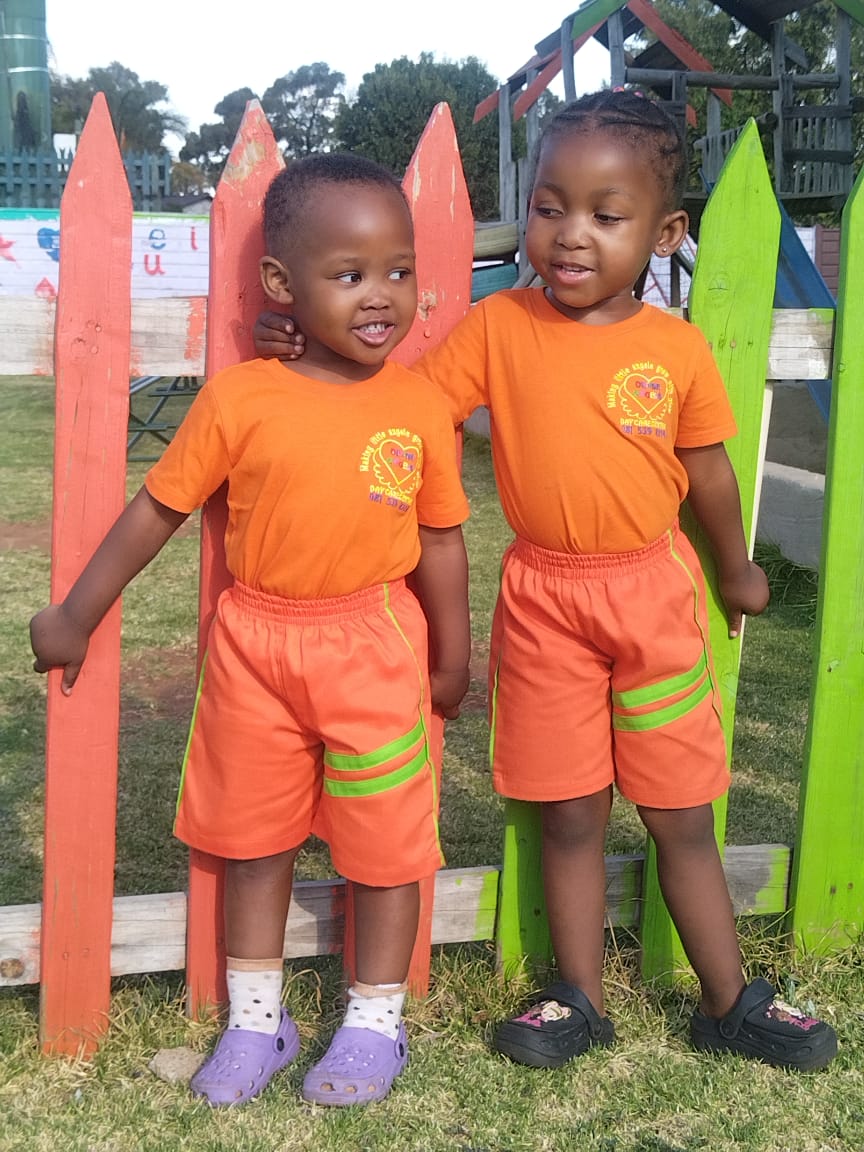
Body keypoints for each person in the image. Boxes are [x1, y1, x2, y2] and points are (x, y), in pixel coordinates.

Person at [251, 90, 838, 1073]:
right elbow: (402, 403)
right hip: (545, 603)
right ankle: (578, 998)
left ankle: (730, 1001)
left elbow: (708, 474)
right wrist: (305, 350)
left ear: (664, 234)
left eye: (606, 216)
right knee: (568, 812)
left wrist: (736, 569)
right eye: (550, 207)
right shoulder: (499, 328)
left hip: (652, 598)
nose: (571, 235)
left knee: (681, 812)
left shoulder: (675, 349)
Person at [30, 153, 472, 1107]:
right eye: (349, 273)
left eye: (398, 271)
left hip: (373, 647)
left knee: (385, 846)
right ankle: (257, 1021)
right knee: (254, 843)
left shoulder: (419, 406)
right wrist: (74, 615)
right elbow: (158, 509)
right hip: (257, 651)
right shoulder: (240, 399)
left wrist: (454, 651)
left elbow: (441, 539)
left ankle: (375, 1023)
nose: (380, 295)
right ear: (281, 282)